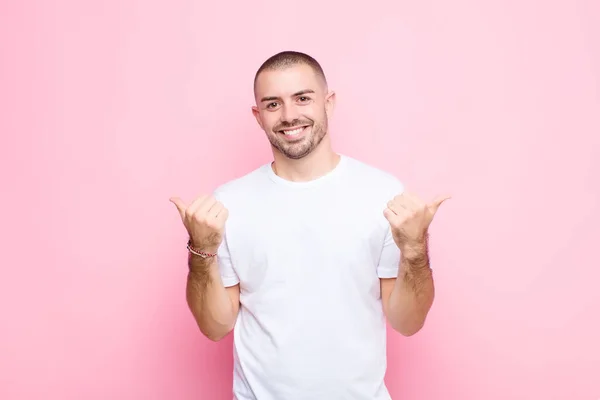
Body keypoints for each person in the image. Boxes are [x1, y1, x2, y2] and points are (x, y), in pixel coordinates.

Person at [170, 51, 450, 400]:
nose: (289, 116)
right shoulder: (228, 203)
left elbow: (408, 323)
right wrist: (201, 251)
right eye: (273, 104)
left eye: (302, 98)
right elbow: (214, 327)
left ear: (328, 103)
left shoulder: (383, 195)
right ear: (258, 116)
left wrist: (415, 250)